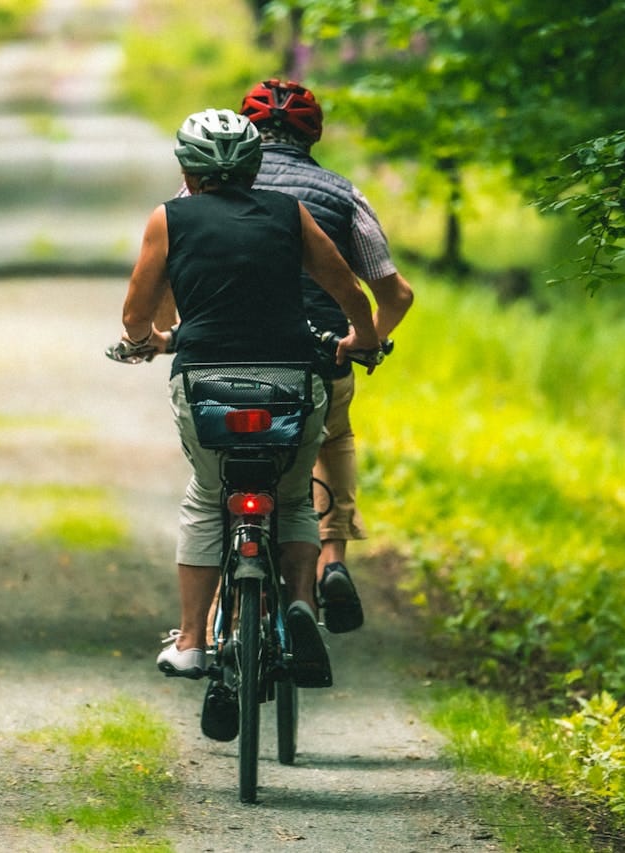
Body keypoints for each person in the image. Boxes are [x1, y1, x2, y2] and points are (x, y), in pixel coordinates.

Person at [117, 108, 381, 688]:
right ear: (255, 164)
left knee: (208, 497)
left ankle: (191, 641)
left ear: (187, 167)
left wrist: (147, 342)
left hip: (206, 381)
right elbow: (346, 288)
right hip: (292, 377)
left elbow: (137, 314)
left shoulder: (169, 219)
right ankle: (301, 607)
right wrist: (363, 336)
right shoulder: (291, 213)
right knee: (290, 500)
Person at [239, 78, 414, 634]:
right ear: (312, 133)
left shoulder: (208, 191)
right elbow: (396, 294)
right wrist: (365, 341)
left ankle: (224, 600)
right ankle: (333, 560)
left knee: (221, 465)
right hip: (315, 362)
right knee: (330, 435)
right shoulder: (342, 194)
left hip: (228, 363)